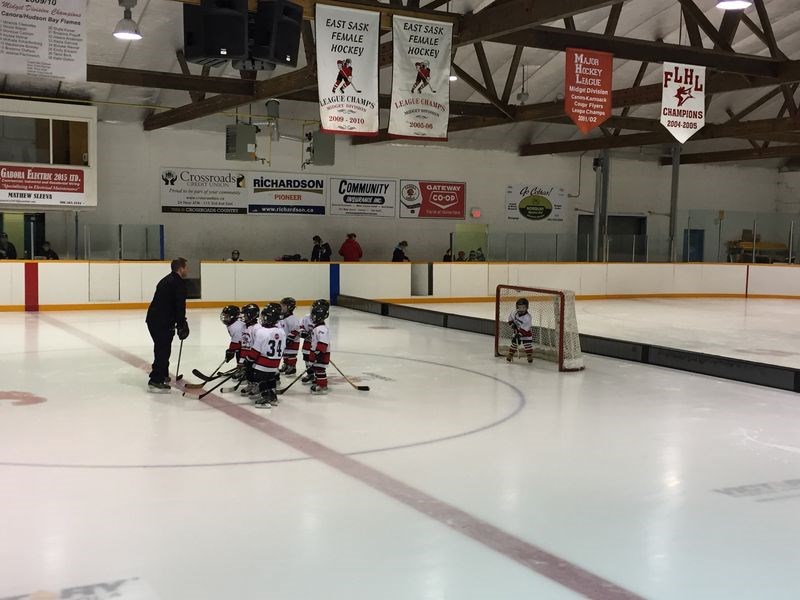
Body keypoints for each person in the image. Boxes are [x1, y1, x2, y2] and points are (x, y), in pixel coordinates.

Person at [145, 258, 189, 392]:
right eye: (186, 267)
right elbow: (179, 305)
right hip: (161, 321)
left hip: (155, 320)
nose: (187, 270)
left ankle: (163, 373)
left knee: (162, 348)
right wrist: (182, 324)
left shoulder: (167, 279)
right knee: (162, 350)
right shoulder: (177, 283)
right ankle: (156, 380)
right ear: (180, 269)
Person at [248, 303, 286, 408]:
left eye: (264, 317)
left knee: (260, 379)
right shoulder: (282, 332)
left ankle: (265, 398)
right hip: (275, 364)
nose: (262, 319)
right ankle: (273, 397)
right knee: (271, 379)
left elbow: (255, 351)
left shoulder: (262, 332)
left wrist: (249, 360)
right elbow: (283, 348)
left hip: (263, 363)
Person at [308, 299, 331, 395]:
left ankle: (322, 386)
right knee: (317, 369)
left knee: (320, 369)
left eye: (314, 315)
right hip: (317, 353)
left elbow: (323, 342)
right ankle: (319, 382)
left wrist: (320, 353)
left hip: (321, 354)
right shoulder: (318, 327)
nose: (312, 317)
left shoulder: (321, 329)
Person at [238, 303, 261, 396]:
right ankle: (250, 384)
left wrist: (253, 357)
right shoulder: (244, 327)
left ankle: (257, 386)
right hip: (248, 355)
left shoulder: (257, 328)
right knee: (248, 371)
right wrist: (241, 360)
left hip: (255, 356)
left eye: (245, 314)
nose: (243, 316)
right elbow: (244, 345)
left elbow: (258, 345)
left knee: (254, 372)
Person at [278, 297, 301, 376]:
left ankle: (292, 367)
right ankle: (286, 364)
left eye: (283, 306)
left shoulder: (292, 319)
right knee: (285, 353)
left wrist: (290, 338)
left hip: (293, 341)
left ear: (289, 307)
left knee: (291, 354)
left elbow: (296, 329)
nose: (281, 307)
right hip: (285, 339)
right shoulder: (282, 317)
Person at [507, 298, 533, 364]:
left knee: (527, 344)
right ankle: (510, 354)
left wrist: (520, 334)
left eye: (523, 307)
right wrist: (512, 324)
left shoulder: (528, 317)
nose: (521, 309)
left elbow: (526, 328)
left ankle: (529, 356)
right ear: (517, 307)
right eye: (520, 307)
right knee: (514, 344)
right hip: (516, 331)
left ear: (527, 307)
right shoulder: (514, 313)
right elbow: (510, 319)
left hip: (525, 333)